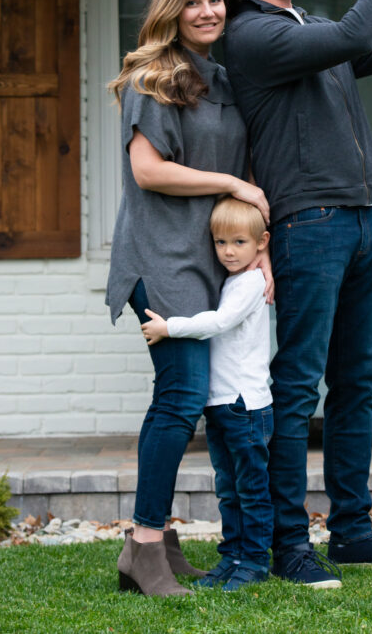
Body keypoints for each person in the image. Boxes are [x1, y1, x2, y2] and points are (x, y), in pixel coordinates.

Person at [205, 0, 372, 589]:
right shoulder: (251, 35)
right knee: (297, 388)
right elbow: (362, 25)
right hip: (310, 226)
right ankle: (286, 543)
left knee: (357, 384)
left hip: (363, 221)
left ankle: (353, 533)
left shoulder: (305, 27)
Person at [105, 0, 270, 598]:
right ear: (172, 10)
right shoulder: (153, 77)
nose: (208, 11)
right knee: (180, 399)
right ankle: (145, 544)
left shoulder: (223, 79)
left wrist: (261, 248)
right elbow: (148, 171)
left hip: (208, 261)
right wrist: (232, 183)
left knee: (183, 401)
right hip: (160, 257)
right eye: (194, 2)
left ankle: (156, 545)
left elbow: (251, 174)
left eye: (216, 1)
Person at [140, 195, 274, 593]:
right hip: (221, 405)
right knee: (228, 488)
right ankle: (231, 555)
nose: (228, 252)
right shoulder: (232, 280)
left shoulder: (251, 283)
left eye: (239, 242)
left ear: (261, 242)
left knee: (250, 489)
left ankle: (253, 562)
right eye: (220, 243)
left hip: (244, 405)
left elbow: (220, 322)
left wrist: (170, 328)